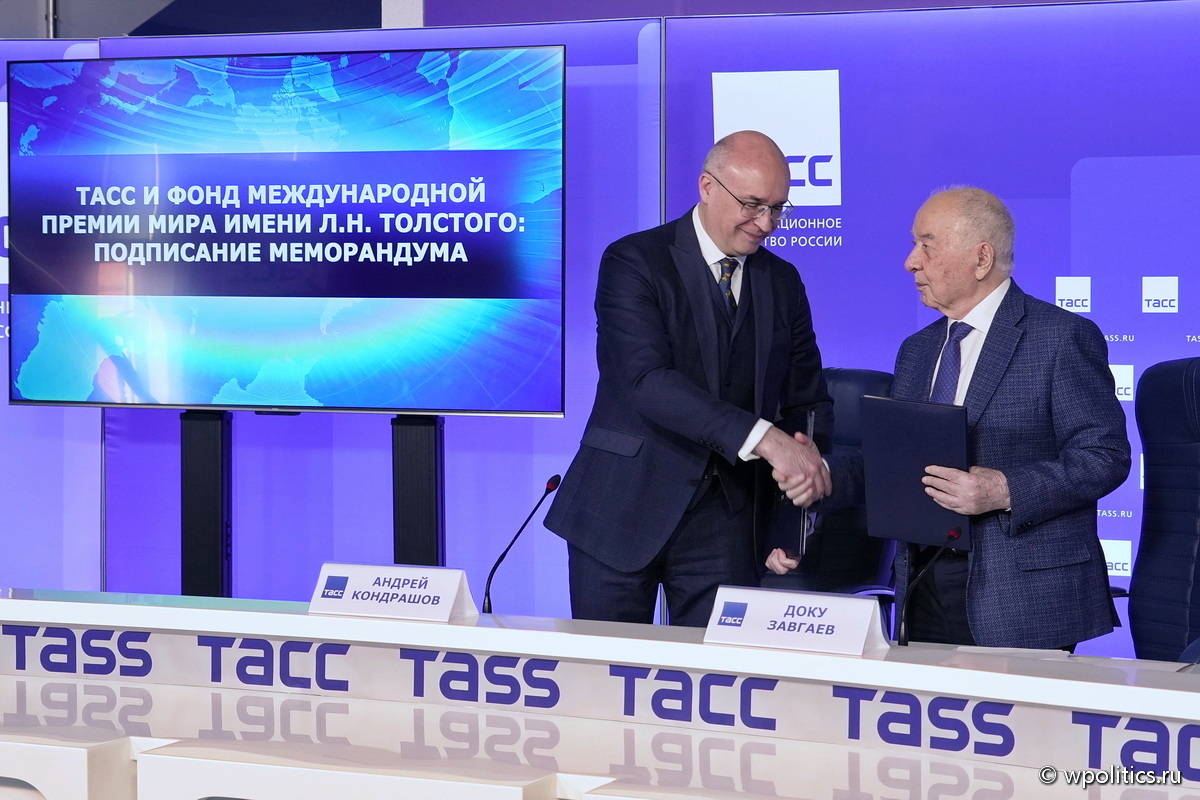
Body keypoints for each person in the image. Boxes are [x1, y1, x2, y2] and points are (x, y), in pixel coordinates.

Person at [768, 187, 1130, 650]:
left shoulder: (1060, 338)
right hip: (922, 584)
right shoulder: (917, 351)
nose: (910, 262)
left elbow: (1104, 456)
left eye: (927, 245)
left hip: (1022, 597)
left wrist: (1004, 490)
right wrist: (822, 475)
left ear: (981, 258)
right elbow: (892, 465)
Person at [544, 130, 833, 627]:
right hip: (620, 508)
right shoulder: (633, 261)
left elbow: (806, 402)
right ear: (707, 187)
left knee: (714, 674)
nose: (766, 223)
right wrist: (766, 439)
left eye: (778, 209)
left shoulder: (782, 281)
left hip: (727, 525)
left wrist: (792, 512)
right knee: (606, 671)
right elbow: (647, 381)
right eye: (753, 205)